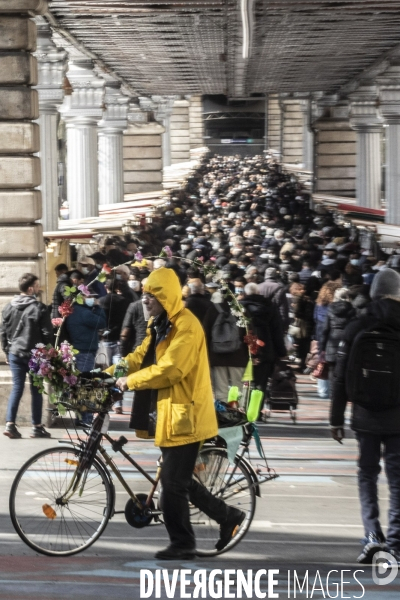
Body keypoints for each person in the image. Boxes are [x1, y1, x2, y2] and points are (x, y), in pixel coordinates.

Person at [112, 267, 245, 560]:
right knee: (179, 480)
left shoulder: (186, 325)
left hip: (188, 417)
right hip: (170, 415)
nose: (145, 300)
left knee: (172, 484)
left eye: (152, 295)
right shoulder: (160, 325)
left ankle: (183, 543)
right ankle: (228, 515)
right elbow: (137, 358)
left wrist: (129, 382)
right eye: (144, 294)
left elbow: (172, 369)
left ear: (167, 297)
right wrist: (107, 373)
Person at [330, 268, 400, 564]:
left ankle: (372, 535)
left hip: (364, 415)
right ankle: (396, 543)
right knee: (397, 480)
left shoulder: (357, 325)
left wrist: (336, 419)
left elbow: (341, 376)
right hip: (398, 417)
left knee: (367, 475)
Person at [1, 273, 53, 439]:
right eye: (37, 286)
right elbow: (47, 332)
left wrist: (6, 351)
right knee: (36, 389)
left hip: (15, 352)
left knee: (17, 387)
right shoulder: (39, 308)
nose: (38, 288)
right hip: (34, 354)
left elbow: (3, 331)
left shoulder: (9, 307)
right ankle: (36, 426)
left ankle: (10, 424)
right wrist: (49, 350)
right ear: (31, 288)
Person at [65, 293, 107, 424]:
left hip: (76, 351)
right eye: (86, 296)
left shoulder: (71, 313)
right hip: (85, 352)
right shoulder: (84, 313)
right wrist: (98, 306)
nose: (89, 298)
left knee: (79, 385)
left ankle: (80, 416)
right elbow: (102, 322)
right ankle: (86, 418)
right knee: (86, 385)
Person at [257, 267, 289, 331]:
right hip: (275, 320)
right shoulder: (279, 288)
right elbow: (282, 308)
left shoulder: (258, 286)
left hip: (261, 319)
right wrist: (284, 324)